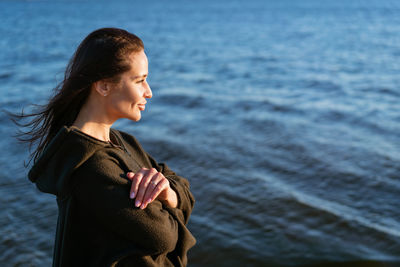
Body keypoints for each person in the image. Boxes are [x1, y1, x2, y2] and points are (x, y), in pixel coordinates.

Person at [15, 28, 196, 266]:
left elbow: (183, 189)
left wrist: (167, 193)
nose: (149, 92)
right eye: (140, 80)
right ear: (103, 86)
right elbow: (164, 237)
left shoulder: (123, 141)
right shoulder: (90, 166)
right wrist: (171, 202)